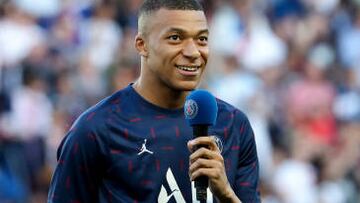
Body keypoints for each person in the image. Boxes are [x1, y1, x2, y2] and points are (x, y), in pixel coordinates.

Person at [47, 0, 260, 202]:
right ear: (142, 45)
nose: (193, 52)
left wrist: (226, 196)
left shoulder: (234, 124)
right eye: (176, 38)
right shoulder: (95, 130)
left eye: (202, 39)